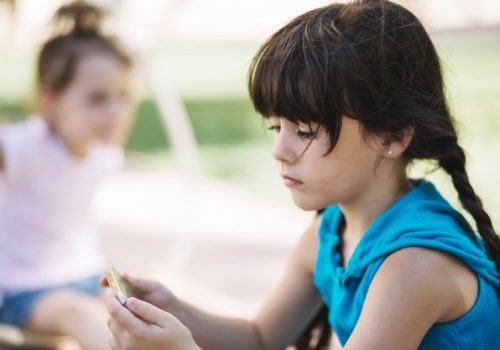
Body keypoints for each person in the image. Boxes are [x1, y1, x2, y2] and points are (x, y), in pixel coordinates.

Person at [103, 1, 500, 349]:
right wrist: (175, 311)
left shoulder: (414, 265)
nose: (280, 150)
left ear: (392, 136)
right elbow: (260, 339)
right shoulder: (328, 234)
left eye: (305, 131)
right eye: (276, 127)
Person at [0, 2, 134, 349]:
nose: (116, 111)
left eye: (122, 97)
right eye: (98, 99)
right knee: (80, 314)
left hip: (87, 275)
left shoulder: (102, 151)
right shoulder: (27, 147)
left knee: (144, 306)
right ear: (52, 102)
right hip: (24, 288)